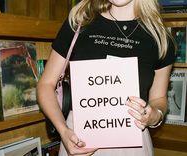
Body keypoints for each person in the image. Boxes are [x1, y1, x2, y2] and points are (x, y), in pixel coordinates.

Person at [37, 0, 176, 155]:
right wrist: (63, 131)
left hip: (132, 144)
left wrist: (154, 115)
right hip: (78, 140)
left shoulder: (160, 38)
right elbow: (46, 84)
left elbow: (159, 98)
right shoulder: (79, 23)